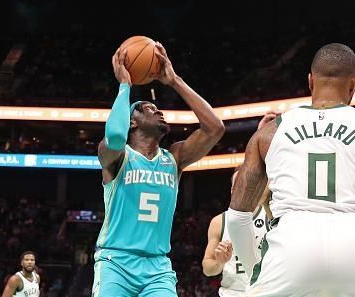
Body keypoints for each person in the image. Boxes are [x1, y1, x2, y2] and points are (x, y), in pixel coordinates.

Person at [91, 42, 225, 297]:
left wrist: (175, 81)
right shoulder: (116, 156)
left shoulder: (173, 157)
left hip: (158, 267)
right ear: (132, 121)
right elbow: (117, 136)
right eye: (149, 109)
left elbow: (215, 128)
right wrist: (124, 86)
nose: (159, 111)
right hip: (115, 262)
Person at [227, 42, 355, 296]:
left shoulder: (269, 132)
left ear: (310, 81)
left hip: (291, 244)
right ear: (353, 85)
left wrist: (256, 269)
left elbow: (238, 217)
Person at [202, 112, 276, 297]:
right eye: (237, 186)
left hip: (265, 291)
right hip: (232, 292)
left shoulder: (270, 212)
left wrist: (261, 135)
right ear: (232, 191)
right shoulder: (219, 221)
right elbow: (208, 268)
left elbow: (259, 172)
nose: (242, 188)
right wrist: (219, 261)